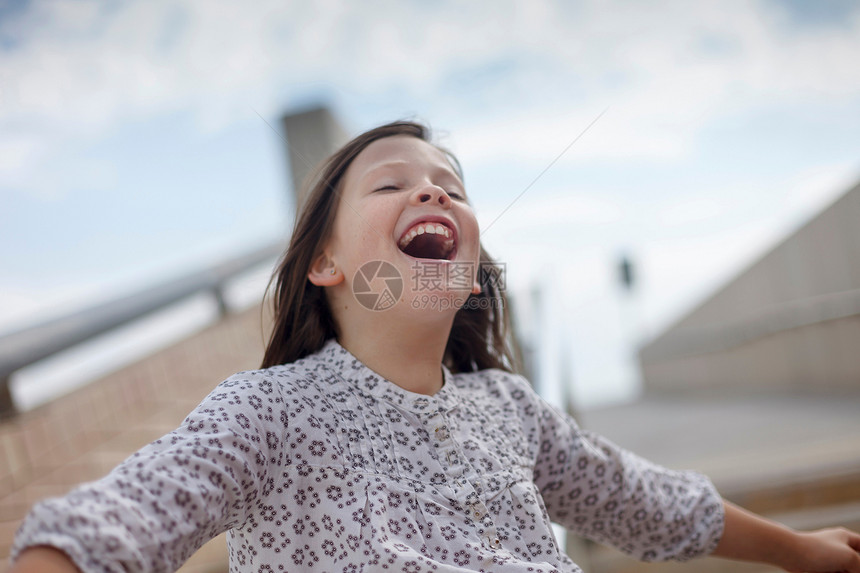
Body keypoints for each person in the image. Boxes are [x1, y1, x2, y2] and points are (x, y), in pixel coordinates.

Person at [8, 121, 860, 573]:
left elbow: (643, 500)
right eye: (394, 182)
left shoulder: (509, 409)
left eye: (451, 187)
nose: (432, 188)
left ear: (475, 270)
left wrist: (800, 550)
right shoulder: (265, 413)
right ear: (324, 261)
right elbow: (116, 523)